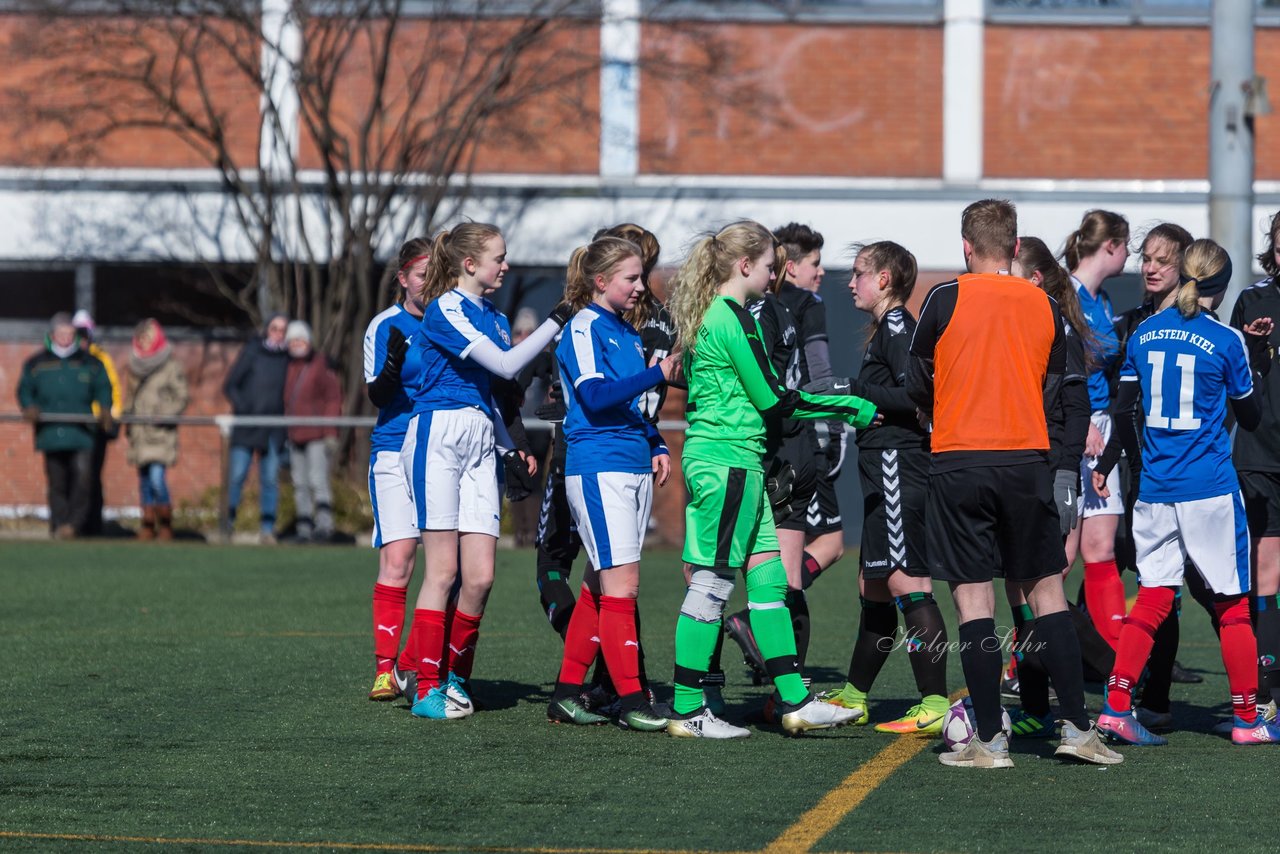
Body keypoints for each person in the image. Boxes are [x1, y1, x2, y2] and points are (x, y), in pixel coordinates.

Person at [907, 199, 1121, 768]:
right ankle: (1077, 728)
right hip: (1027, 462)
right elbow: (1057, 390)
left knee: (973, 604)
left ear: (966, 246)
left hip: (958, 461)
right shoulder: (1047, 305)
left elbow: (914, 378)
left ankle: (990, 740)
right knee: (1046, 595)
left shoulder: (943, 297)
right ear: (1015, 244)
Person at [664, 219, 877, 739]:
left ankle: (796, 700)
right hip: (727, 462)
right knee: (712, 584)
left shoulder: (730, 315)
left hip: (744, 461)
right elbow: (774, 399)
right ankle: (688, 709)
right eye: (767, 265)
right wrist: (852, 404)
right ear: (744, 266)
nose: (773, 273)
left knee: (768, 583)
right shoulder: (727, 318)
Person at [1092, 239, 1280, 746]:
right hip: (1209, 491)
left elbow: (1124, 409)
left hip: (1154, 488)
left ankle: (1115, 708)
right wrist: (1257, 361)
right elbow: (1251, 416)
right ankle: (1247, 720)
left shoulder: (1144, 333)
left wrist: (1118, 463)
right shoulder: (1225, 340)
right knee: (1233, 607)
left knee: (1152, 600)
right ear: (1221, 285)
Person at [400, 222, 572, 721]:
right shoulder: (445, 308)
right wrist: (558, 316)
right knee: (444, 571)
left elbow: (495, 394)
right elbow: (504, 364)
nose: (506, 264)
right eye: (499, 256)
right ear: (470, 264)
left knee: (480, 577)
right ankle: (426, 685)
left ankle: (455, 676)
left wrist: (512, 445)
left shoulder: (494, 316)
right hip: (438, 434)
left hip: (479, 440)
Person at [807, 241, 950, 735]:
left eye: (860, 273)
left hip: (897, 464)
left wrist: (853, 389)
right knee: (871, 585)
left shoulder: (896, 326)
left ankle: (934, 703)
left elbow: (918, 394)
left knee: (906, 582)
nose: (851, 282)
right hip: (878, 466)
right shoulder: (887, 329)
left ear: (885, 279)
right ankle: (854, 696)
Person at [545, 236, 677, 731]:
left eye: (641, 277)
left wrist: (656, 442)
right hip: (599, 466)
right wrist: (656, 374)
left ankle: (566, 695)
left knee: (599, 586)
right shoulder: (583, 326)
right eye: (631, 278)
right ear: (600, 281)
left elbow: (628, 407)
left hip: (629, 462)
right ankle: (632, 701)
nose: (641, 287)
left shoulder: (625, 330)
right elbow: (597, 396)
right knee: (623, 587)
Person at [1000, 236, 1100, 738]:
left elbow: (1075, 410)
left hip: (1049, 471)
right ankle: (1038, 704)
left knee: (1046, 588)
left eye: (1010, 270)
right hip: (1019, 467)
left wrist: (1064, 475)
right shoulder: (1016, 323)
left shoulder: (1058, 327)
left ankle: (1084, 703)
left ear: (1034, 279)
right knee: (1019, 585)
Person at [364, 238, 430, 702]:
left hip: (441, 451)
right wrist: (389, 370)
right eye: (421, 274)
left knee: (453, 566)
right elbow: (377, 395)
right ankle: (385, 670)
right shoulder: (385, 324)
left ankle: (416, 662)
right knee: (400, 558)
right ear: (403, 278)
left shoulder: (453, 321)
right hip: (393, 452)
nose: (429, 284)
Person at [1062, 210, 1131, 650]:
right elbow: (1061, 366)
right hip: (1075, 426)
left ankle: (1117, 667)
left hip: (1102, 429)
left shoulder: (1101, 298)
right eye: (1127, 247)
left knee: (1101, 549)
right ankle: (1021, 665)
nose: (1131, 257)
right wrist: (1082, 419)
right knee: (1061, 558)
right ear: (1111, 246)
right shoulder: (1064, 293)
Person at [1231, 210, 1280, 718]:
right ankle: (1266, 688)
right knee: (1264, 568)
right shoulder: (1254, 300)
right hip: (1261, 452)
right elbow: (1233, 374)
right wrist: (1251, 342)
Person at [17, 313, 114, 539]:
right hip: (51, 433)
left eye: (70, 333)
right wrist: (29, 407)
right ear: (52, 335)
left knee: (83, 478)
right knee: (57, 482)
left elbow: (103, 388)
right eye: (61, 333)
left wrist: (105, 409)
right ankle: (59, 524)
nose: (66, 338)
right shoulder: (36, 363)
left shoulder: (90, 363)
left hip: (81, 433)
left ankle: (75, 524)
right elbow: (24, 390)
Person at [223, 314, 290, 544]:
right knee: (236, 477)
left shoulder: (287, 358)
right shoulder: (252, 351)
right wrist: (245, 409)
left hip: (273, 429)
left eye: (283, 330)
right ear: (267, 330)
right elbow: (230, 385)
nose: (278, 333)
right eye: (274, 328)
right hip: (247, 426)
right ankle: (226, 524)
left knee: (270, 479)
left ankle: (267, 529)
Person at [123, 319, 190, 541]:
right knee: (143, 481)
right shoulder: (133, 365)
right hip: (140, 432)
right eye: (141, 339)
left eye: (148, 339)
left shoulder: (171, 366)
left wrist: (164, 414)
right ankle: (147, 524)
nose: (144, 343)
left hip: (160, 432)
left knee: (156, 479)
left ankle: (166, 523)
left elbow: (181, 397)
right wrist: (126, 416)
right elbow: (130, 398)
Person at [283, 320, 342, 543]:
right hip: (294, 434)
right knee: (300, 483)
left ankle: (325, 526)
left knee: (318, 480)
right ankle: (304, 527)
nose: (297, 344)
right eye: (293, 340)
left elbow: (333, 399)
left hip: (317, 434)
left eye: (301, 339)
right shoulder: (287, 366)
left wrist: (330, 432)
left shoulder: (321, 365)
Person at [72, 310, 121, 536]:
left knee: (92, 475)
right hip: (75, 425)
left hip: (95, 426)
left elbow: (113, 390)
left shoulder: (100, 359)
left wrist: (110, 417)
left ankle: (92, 524)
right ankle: (74, 523)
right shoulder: (67, 359)